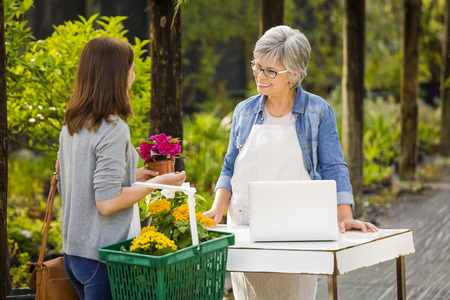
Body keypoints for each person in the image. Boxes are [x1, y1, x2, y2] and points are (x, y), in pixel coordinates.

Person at [204, 25, 378, 300]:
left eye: (270, 71)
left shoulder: (318, 111)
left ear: (294, 75)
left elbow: (334, 167)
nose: (259, 76)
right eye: (256, 66)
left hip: (301, 231)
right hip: (247, 230)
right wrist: (217, 208)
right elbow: (230, 166)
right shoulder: (244, 111)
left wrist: (345, 218)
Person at [57, 37, 186, 300]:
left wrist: (135, 175)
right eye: (131, 69)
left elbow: (73, 183)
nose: (134, 75)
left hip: (73, 256)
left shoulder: (72, 125)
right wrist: (157, 185)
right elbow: (107, 202)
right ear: (116, 76)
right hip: (102, 257)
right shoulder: (113, 129)